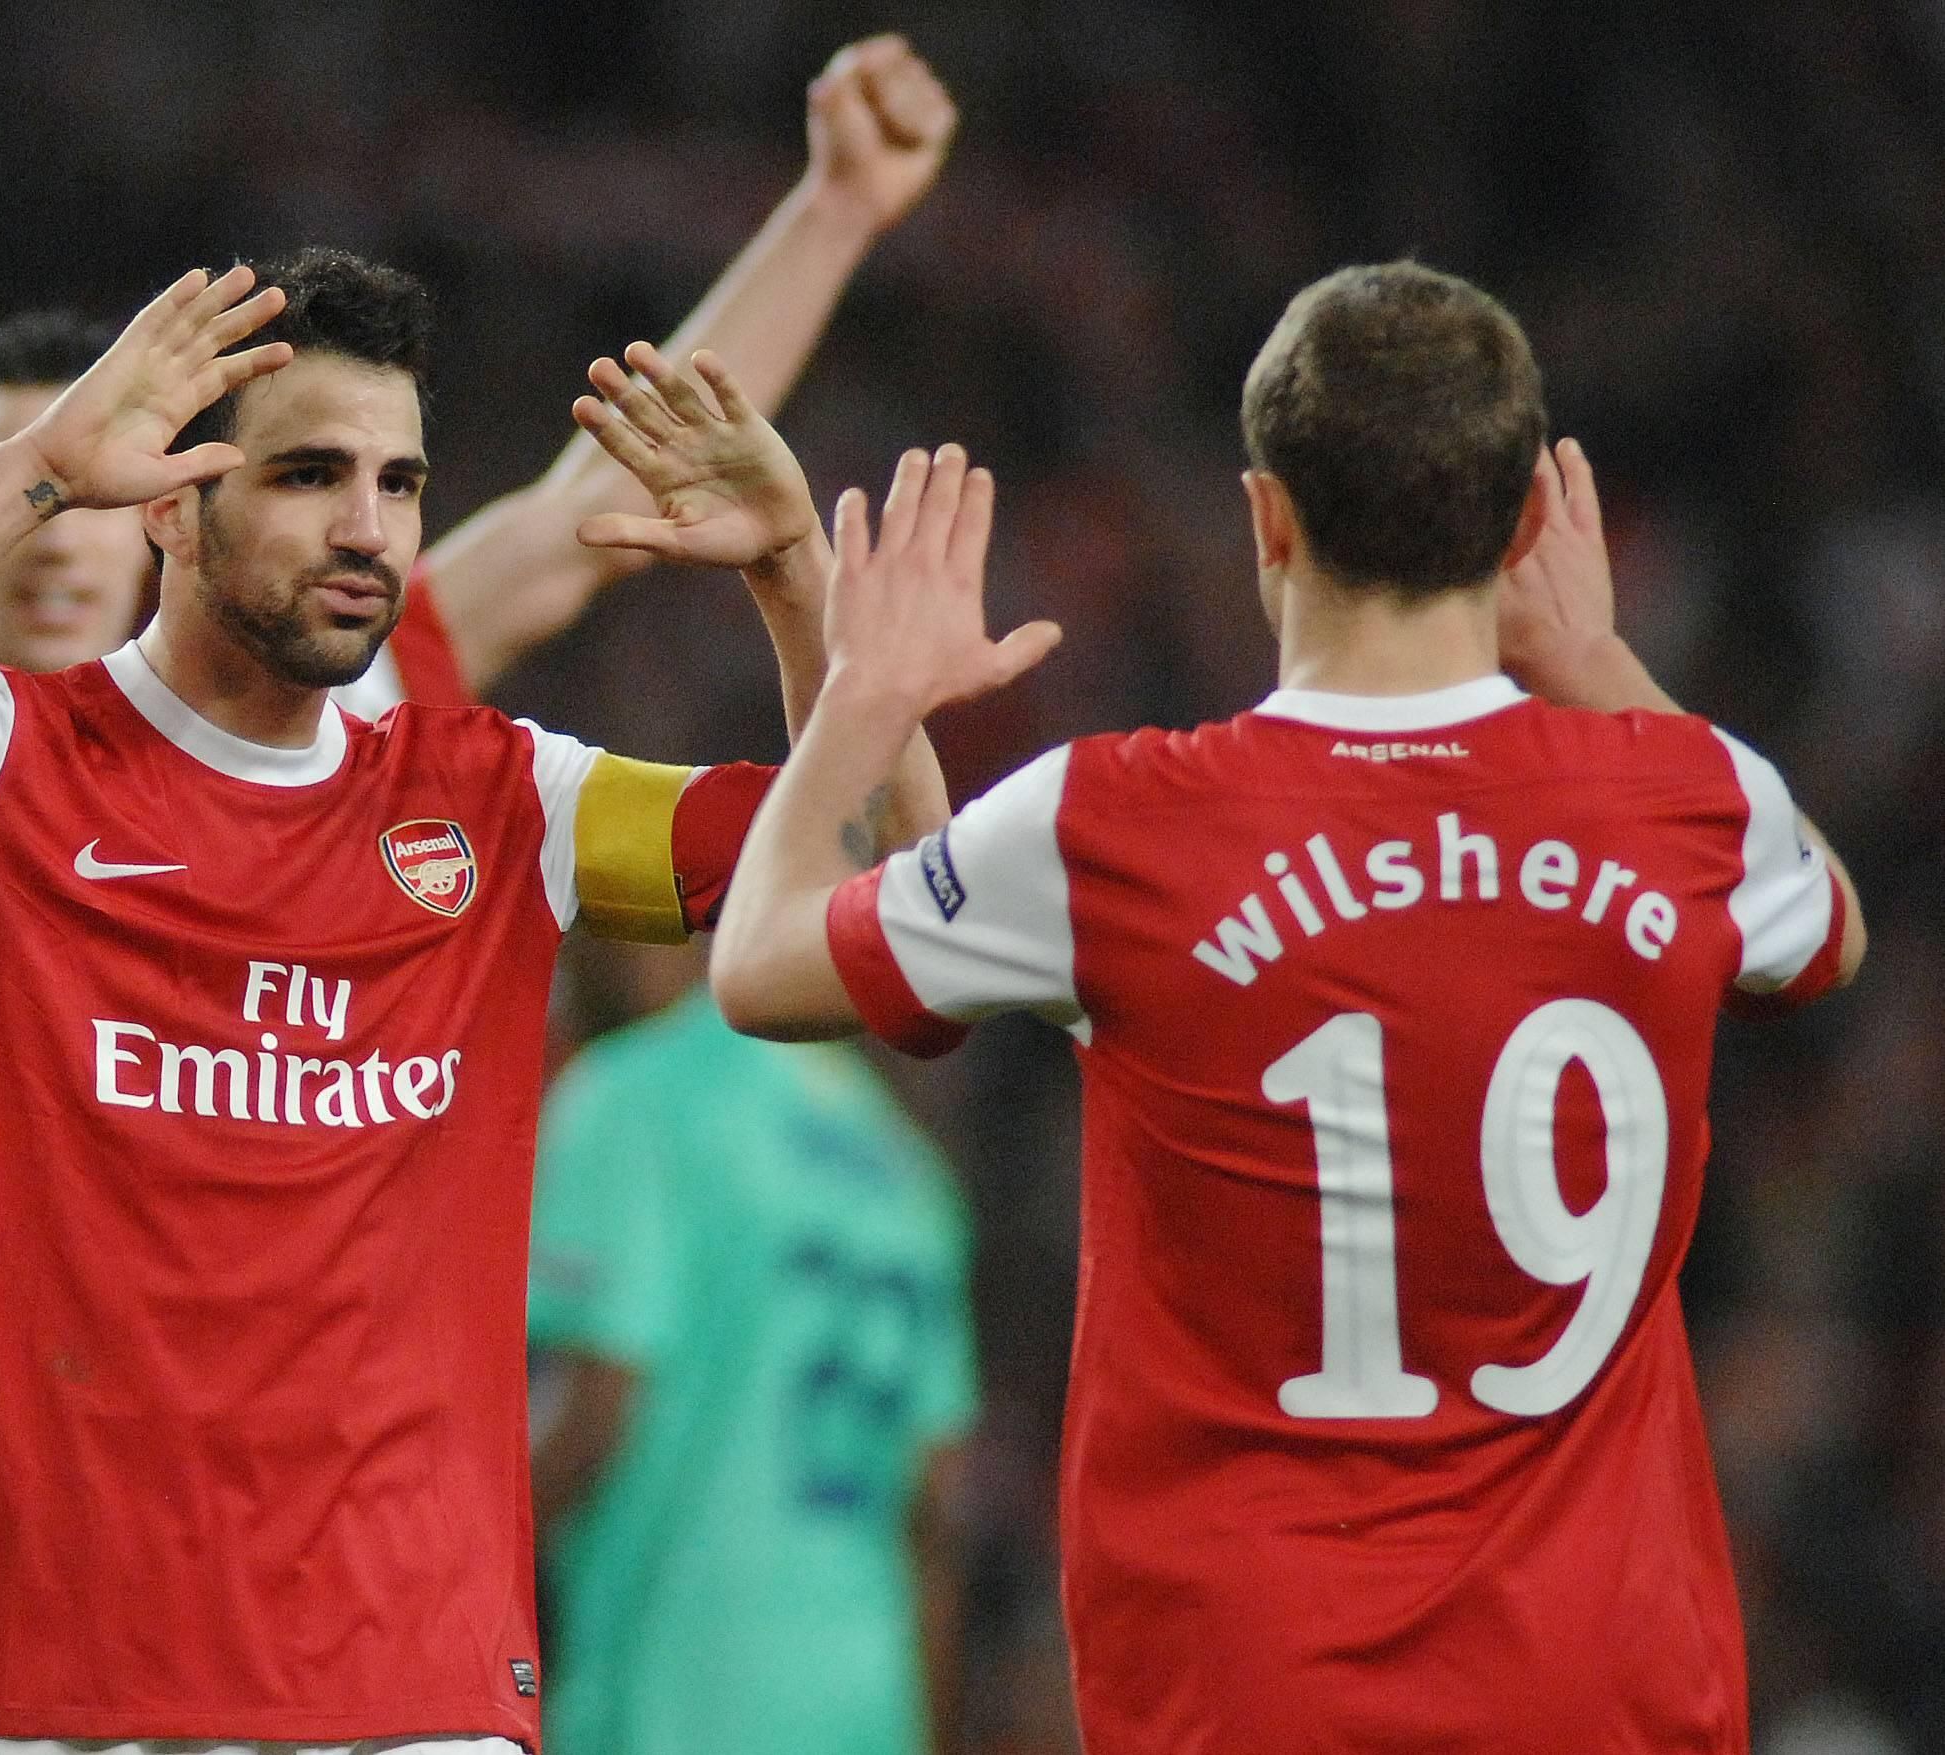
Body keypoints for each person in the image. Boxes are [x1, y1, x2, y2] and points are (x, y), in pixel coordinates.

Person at [0, 34, 956, 1752]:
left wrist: (798, 579)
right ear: (163, 492)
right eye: (311, 474)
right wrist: (32, 477)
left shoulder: (486, 788)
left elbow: (899, 902)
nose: (370, 524)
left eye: (396, 482)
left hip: (395, 1679)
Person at [705, 260, 1867, 1752]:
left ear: (1265, 516)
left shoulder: (1113, 827)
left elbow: (759, 961)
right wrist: (1589, 658)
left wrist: (866, 686)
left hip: (1245, 1693)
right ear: (1523, 528)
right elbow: (1825, 928)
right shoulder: (1693, 799)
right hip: (1606, 1691)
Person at [528, 943, 977, 1755]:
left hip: (683, 1693)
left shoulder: (638, 1093)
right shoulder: (908, 1169)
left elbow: (599, 1407)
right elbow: (935, 1505)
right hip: (869, 1705)